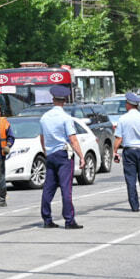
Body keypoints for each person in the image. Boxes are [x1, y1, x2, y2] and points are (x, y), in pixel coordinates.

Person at [39, 85, 86, 229]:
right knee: (66, 189)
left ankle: (47, 219)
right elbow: (73, 139)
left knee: (48, 188)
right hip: (64, 155)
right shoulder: (66, 118)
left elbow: (42, 138)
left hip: (51, 154)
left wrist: (46, 151)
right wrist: (81, 156)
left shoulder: (44, 117)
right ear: (64, 101)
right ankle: (69, 220)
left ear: (53, 100)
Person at [113, 92, 140, 212]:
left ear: (129, 105)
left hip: (129, 150)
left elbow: (118, 138)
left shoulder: (122, 119)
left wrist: (115, 151)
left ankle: (135, 206)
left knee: (131, 179)